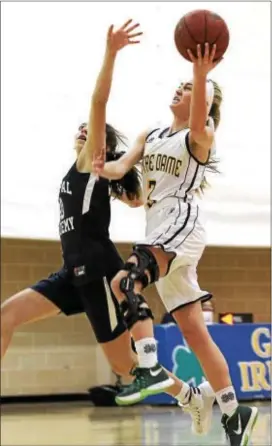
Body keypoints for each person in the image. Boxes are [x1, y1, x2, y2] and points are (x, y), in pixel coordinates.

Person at [1, 21, 215, 436]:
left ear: (99, 140)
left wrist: (112, 52)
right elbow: (131, 193)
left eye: (91, 128)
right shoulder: (79, 169)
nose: (84, 128)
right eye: (80, 128)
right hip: (71, 271)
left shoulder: (92, 158)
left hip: (98, 269)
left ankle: (190, 396)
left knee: (123, 365)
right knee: (5, 316)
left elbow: (98, 100)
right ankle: (191, 395)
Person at [93, 39, 258, 445]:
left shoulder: (200, 136)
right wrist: (105, 169)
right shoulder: (152, 134)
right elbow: (125, 169)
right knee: (194, 333)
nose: (179, 89)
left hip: (180, 222)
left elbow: (201, 113)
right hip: (157, 225)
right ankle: (235, 412)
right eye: (181, 84)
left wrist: (201, 74)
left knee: (123, 282)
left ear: (203, 101)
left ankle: (148, 366)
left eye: (188, 89)